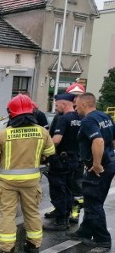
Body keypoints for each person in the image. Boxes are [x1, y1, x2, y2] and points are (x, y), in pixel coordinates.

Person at [0, 94, 56, 253]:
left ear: (12, 114)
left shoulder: (4, 134)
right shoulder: (42, 132)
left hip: (8, 183)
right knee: (32, 213)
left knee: (8, 215)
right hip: (31, 181)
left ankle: (7, 249)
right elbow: (50, 156)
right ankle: (33, 245)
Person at [66, 93, 115, 249]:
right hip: (110, 163)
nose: (75, 108)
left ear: (84, 105)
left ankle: (102, 239)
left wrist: (97, 164)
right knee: (92, 200)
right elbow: (112, 139)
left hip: (99, 168)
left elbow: (98, 140)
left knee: (93, 202)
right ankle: (85, 231)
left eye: (76, 105)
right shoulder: (104, 116)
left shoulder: (88, 120)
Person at [43, 92, 81, 231]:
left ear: (64, 104)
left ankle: (61, 221)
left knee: (58, 189)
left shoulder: (63, 119)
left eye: (57, 104)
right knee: (68, 189)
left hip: (61, 160)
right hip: (74, 159)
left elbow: (57, 140)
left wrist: (45, 151)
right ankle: (66, 217)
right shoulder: (79, 117)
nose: (56, 107)